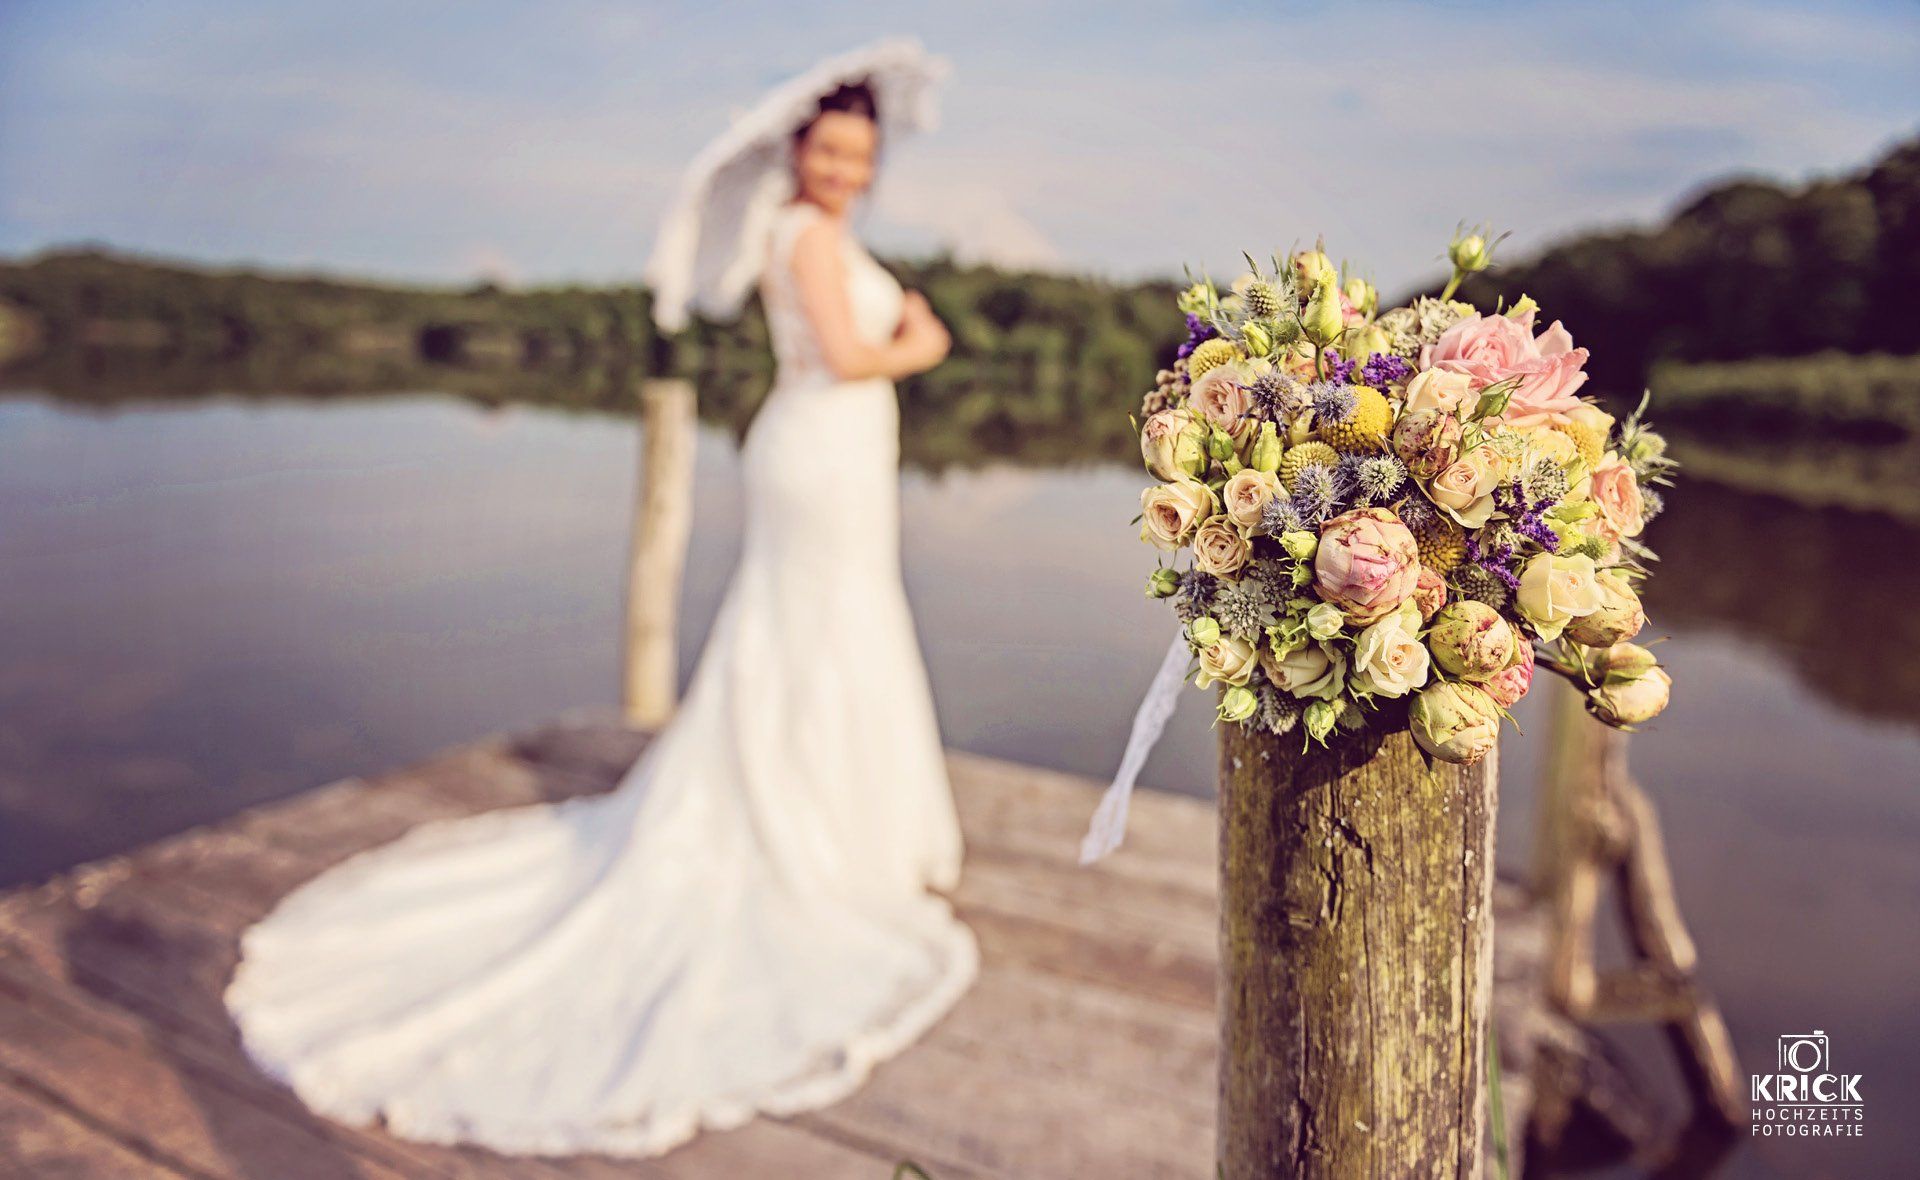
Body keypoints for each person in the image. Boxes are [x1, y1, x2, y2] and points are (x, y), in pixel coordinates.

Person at [223, 45, 978, 1159]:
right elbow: (847, 354)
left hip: (838, 455)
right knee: (815, 624)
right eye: (829, 148)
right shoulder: (802, 235)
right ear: (797, 151)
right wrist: (925, 338)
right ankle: (810, 834)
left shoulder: (831, 231)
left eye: (860, 153)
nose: (845, 168)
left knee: (836, 625)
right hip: (819, 450)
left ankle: (847, 825)